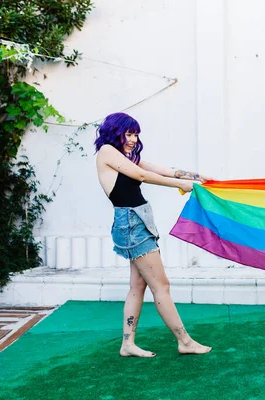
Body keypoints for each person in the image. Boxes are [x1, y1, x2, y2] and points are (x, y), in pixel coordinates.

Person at [94, 112, 212, 357]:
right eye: (128, 133)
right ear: (114, 132)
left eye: (135, 134)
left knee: (138, 286)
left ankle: (128, 344)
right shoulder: (107, 151)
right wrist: (179, 185)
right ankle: (185, 341)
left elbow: (162, 170)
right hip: (131, 224)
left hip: (138, 221)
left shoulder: (126, 157)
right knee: (161, 285)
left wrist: (197, 177)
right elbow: (142, 176)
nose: (133, 139)